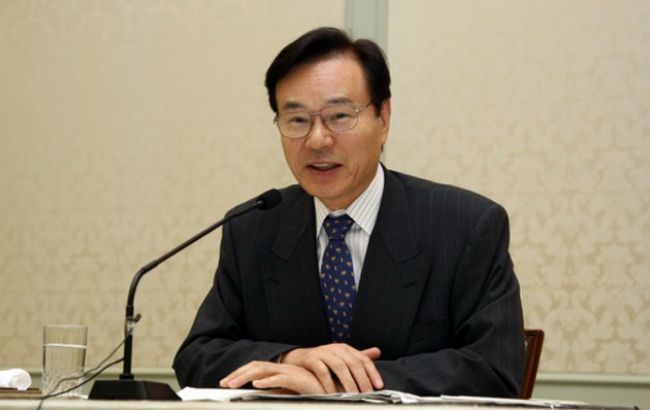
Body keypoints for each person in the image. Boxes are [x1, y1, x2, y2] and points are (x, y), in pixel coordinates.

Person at [173, 27, 525, 397]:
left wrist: (337, 385)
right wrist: (290, 360)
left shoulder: (465, 226)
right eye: (297, 120)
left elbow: (494, 370)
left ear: (383, 118)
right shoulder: (252, 228)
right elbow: (198, 356)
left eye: (339, 116)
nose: (317, 140)